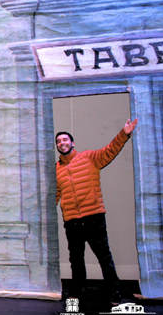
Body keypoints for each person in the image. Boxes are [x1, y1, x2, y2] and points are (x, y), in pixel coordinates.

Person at [55, 118, 138, 304]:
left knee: (104, 257)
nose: (62, 143)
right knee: (76, 259)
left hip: (93, 218)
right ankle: (78, 290)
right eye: (58, 141)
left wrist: (124, 134)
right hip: (72, 221)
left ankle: (115, 292)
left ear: (72, 143)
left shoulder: (89, 157)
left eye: (65, 139)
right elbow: (56, 194)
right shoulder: (57, 169)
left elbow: (110, 150)